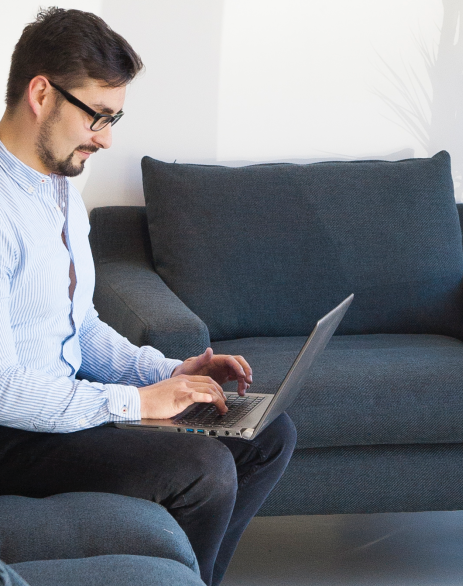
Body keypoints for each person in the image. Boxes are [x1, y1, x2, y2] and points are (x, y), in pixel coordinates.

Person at [0, 7, 296, 586]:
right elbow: (5, 388)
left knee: (266, 432)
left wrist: (167, 373)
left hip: (61, 408)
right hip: (12, 431)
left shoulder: (58, 188)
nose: (107, 138)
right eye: (98, 116)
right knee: (202, 469)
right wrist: (138, 404)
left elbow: (75, 326)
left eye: (115, 118)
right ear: (41, 93)